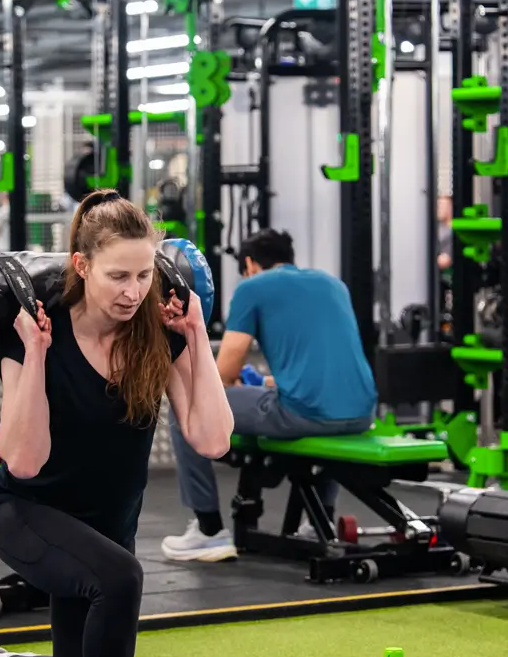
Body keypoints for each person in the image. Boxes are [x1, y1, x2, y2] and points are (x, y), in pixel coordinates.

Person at [0, 191, 233, 657]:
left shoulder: (157, 333)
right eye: (118, 276)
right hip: (27, 514)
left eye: (143, 275)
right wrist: (36, 355)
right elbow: (24, 459)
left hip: (104, 529)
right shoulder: (34, 330)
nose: (133, 291)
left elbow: (212, 439)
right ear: (82, 266)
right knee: (121, 577)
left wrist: (197, 335)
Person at [161, 228, 377, 562]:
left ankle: (208, 530)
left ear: (249, 264)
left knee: (186, 408)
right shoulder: (332, 283)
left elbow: (223, 373)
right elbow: (324, 366)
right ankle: (317, 522)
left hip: (303, 413)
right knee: (322, 411)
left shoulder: (252, 287)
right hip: (362, 412)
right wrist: (264, 382)